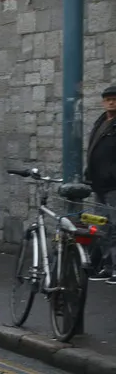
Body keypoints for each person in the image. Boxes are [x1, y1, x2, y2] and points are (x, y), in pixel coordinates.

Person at [86, 86, 116, 285]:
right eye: (108, 100)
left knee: (114, 226)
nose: (111, 102)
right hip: (99, 183)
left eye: (114, 99)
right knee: (102, 227)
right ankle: (107, 265)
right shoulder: (100, 122)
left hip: (113, 183)